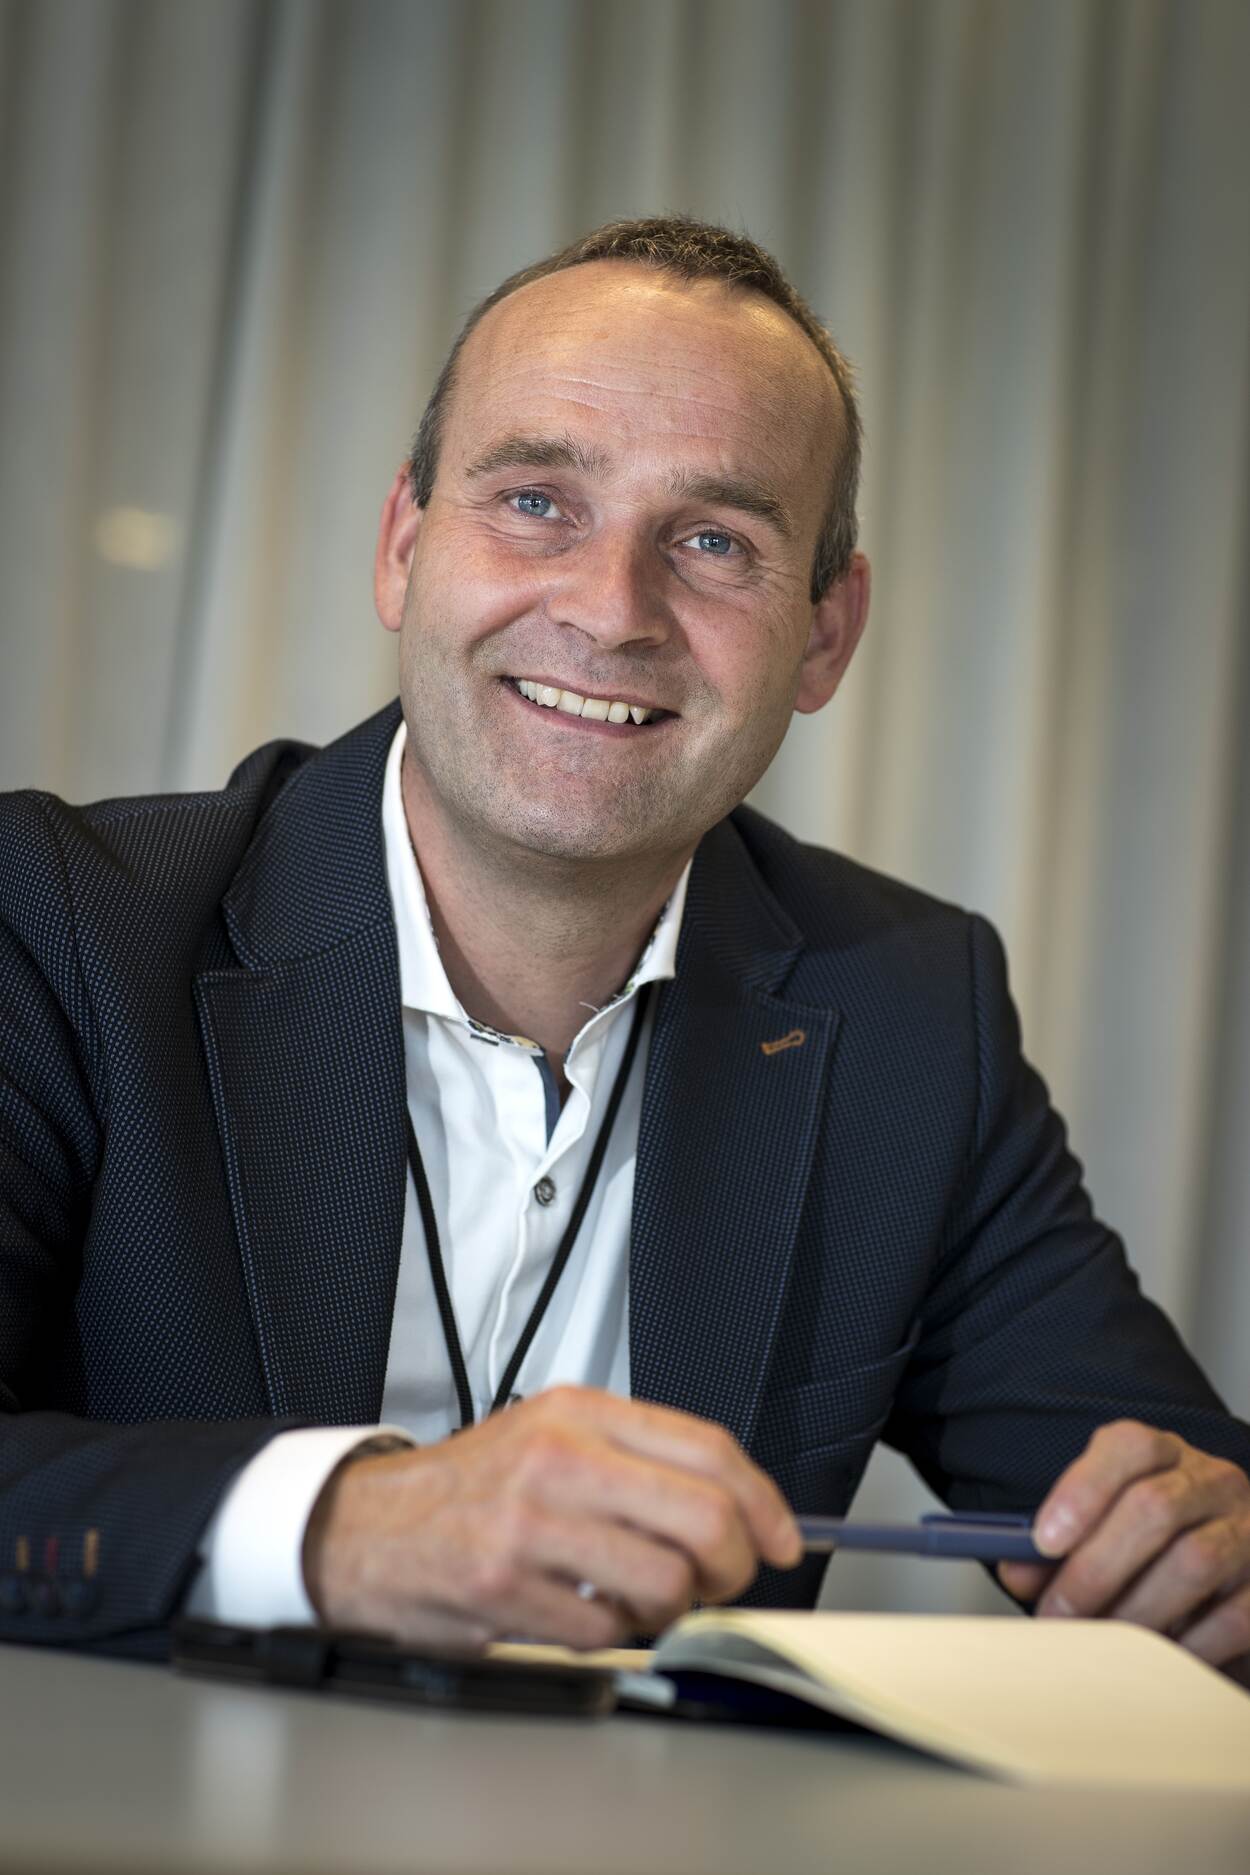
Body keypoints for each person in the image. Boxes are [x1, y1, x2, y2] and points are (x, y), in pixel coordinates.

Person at [2, 216, 1248, 1672]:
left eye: (714, 541)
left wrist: (1203, 1549)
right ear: (404, 547)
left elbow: (1161, 1504)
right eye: (536, 501)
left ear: (824, 635)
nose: (609, 611)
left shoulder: (911, 1011)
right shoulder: (60, 923)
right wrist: (338, 1527)